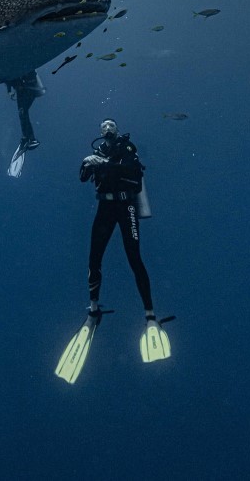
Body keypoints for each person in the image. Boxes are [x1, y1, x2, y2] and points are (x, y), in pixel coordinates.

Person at [55, 118, 171, 383]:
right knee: (94, 258)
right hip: (104, 208)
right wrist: (87, 163)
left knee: (134, 258)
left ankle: (150, 316)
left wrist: (104, 164)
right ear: (99, 132)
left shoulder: (127, 148)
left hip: (126, 206)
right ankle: (93, 309)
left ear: (117, 130)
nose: (107, 127)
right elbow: (83, 178)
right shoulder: (98, 153)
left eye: (111, 124)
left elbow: (131, 171)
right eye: (103, 125)